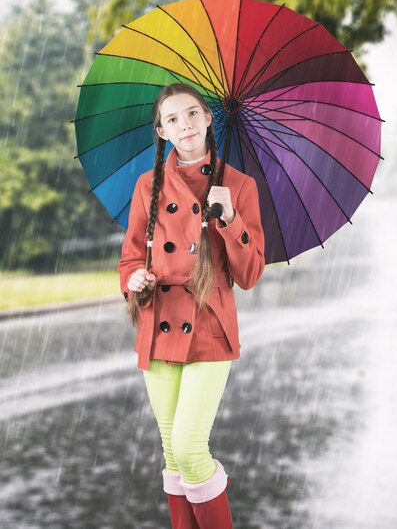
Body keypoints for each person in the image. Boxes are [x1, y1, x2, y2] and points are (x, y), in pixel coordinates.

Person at [117, 82, 265, 529]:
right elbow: (129, 256)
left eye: (193, 114)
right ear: (161, 131)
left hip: (208, 326)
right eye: (173, 119)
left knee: (188, 447)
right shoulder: (148, 185)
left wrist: (230, 219)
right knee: (170, 451)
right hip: (158, 319)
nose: (185, 125)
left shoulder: (238, 184)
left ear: (208, 118)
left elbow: (250, 274)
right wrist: (134, 278)